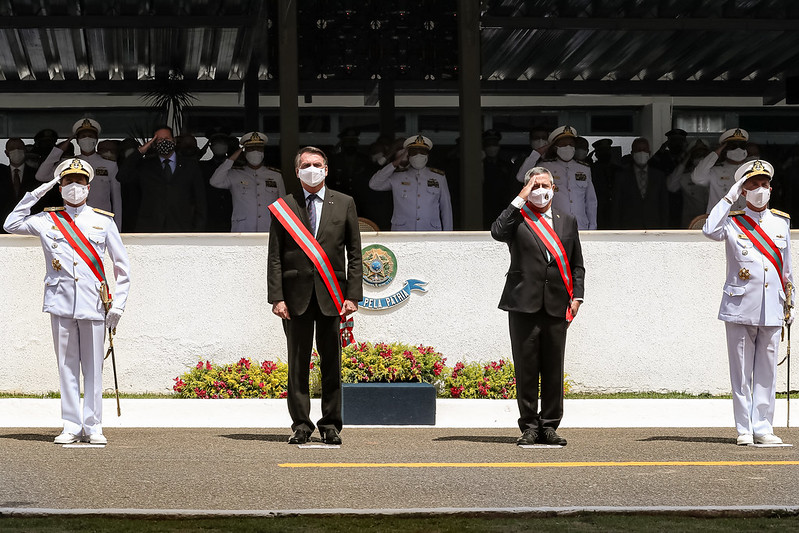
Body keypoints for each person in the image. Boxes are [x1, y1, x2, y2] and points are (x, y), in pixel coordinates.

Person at [4, 158, 130, 445]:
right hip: (61, 302)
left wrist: (119, 305)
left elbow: (122, 267)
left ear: (89, 185)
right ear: (59, 187)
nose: (75, 187)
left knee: (93, 368)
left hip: (95, 303)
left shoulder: (103, 221)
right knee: (67, 366)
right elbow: (11, 223)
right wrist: (38, 191)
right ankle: (71, 425)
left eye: (80, 181)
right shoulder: (47, 219)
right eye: (67, 182)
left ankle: (93, 425)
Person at [267, 146, 363, 445]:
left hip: (332, 296)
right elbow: (275, 257)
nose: (312, 168)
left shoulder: (344, 203)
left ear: (326, 169)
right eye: (306, 165)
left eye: (317, 164)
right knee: (297, 364)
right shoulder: (285, 206)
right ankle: (301, 425)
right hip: (295, 297)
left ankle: (331, 424)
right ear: (297, 172)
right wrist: (276, 297)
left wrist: (353, 294)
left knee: (331, 362)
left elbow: (355, 254)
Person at [491, 166, 585, 446]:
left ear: (554, 189)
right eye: (535, 185)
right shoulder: (518, 219)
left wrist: (577, 296)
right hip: (523, 302)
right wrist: (520, 197)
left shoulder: (567, 221)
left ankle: (550, 425)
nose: (540, 190)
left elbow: (577, 263)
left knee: (554, 368)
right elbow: (497, 231)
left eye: (545, 185)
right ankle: (529, 426)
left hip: (558, 302)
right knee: (527, 367)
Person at [702, 159, 792, 446]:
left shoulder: (781, 223)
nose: (760, 189)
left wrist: (789, 301)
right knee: (741, 371)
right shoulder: (731, 222)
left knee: (767, 371)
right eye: (753, 185)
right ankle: (744, 428)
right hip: (740, 305)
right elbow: (708, 229)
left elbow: (786, 269)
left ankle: (763, 427)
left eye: (765, 184)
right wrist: (729, 196)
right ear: (743, 190)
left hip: (772, 305)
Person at [35, 119, 122, 231]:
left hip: (101, 221)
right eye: (83, 136)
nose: (87, 139)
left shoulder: (110, 165)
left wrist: (118, 229)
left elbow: (117, 200)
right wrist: (61, 148)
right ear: (77, 140)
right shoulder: (69, 164)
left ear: (96, 139)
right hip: (73, 220)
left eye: (90, 135)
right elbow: (41, 175)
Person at [116, 125, 206, 232]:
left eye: (167, 139)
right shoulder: (146, 166)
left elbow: (200, 200)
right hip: (150, 228)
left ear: (174, 141)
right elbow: (122, 176)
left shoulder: (190, 166)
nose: (164, 142)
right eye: (159, 140)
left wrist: (198, 230)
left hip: (182, 228)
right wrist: (140, 151)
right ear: (153, 144)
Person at [515, 125, 598, 230]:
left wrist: (592, 226)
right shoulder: (545, 166)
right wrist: (538, 152)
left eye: (571, 144)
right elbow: (521, 177)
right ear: (555, 147)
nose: (568, 147)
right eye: (563, 144)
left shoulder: (584, 168)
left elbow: (591, 201)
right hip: (554, 226)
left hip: (581, 225)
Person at [369, 134, 453, 231]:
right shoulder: (397, 177)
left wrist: (448, 234)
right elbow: (374, 184)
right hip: (403, 231)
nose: (418, 155)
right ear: (408, 156)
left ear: (427, 155)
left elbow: (446, 209)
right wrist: (395, 163)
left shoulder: (438, 177)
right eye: (414, 152)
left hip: (430, 231)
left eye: (422, 152)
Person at [210, 132, 285, 232]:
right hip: (242, 229)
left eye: (259, 149)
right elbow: (215, 181)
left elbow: (283, 205)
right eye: (251, 149)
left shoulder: (275, 175)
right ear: (244, 153)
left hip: (268, 229)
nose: (255, 152)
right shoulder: (235, 174)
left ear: (263, 151)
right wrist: (231, 159)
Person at [613, 138, 669, 229]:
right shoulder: (622, 176)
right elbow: (616, 206)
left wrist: (664, 229)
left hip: (654, 227)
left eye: (644, 150)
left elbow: (664, 205)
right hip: (629, 227)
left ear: (649, 153)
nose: (641, 152)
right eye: (638, 150)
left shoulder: (659, 176)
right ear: (632, 153)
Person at [692, 128, 751, 213]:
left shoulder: (752, 170)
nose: (738, 149)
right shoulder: (715, 171)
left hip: (746, 222)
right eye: (733, 146)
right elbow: (697, 177)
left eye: (742, 146)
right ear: (724, 149)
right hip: (721, 222)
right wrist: (715, 154)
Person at [666, 140, 711, 227]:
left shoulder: (716, 174)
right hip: (690, 222)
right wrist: (685, 160)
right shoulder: (685, 177)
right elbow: (671, 186)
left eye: (703, 155)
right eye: (697, 155)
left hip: (713, 220)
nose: (701, 158)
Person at [200, 129, 234, 232]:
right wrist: (200, 152)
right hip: (210, 216)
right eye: (216, 143)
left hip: (232, 215)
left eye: (223, 142)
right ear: (210, 146)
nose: (219, 145)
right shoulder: (202, 167)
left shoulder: (236, 167)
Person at [1, 138, 40, 229]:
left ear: (25, 151)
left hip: (28, 225)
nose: (16, 151)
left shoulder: (36, 175)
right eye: (12, 148)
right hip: (2, 225)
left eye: (19, 148)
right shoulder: (1, 173)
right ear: (7, 153)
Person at [482, 128, 515, 229]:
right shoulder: (480, 165)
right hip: (483, 208)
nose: (492, 147)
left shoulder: (506, 165)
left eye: (494, 144)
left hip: (502, 207)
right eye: (489, 144)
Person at [590, 138, 621, 229]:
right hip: (599, 208)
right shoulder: (592, 169)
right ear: (597, 154)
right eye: (602, 151)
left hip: (615, 208)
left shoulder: (618, 169)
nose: (605, 154)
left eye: (607, 151)